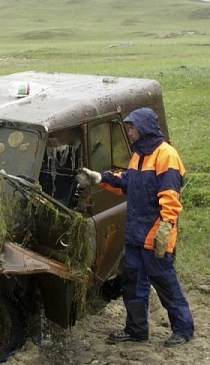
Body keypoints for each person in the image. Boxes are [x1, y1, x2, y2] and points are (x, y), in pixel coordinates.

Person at [76, 107, 194, 348]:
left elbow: (170, 196)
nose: (128, 132)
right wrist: (99, 178)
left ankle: (183, 329)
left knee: (165, 282)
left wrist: (165, 228)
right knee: (133, 282)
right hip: (135, 232)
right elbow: (126, 182)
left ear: (145, 128)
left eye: (132, 127)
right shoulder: (139, 156)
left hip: (155, 232)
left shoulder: (166, 156)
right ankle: (136, 329)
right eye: (128, 127)